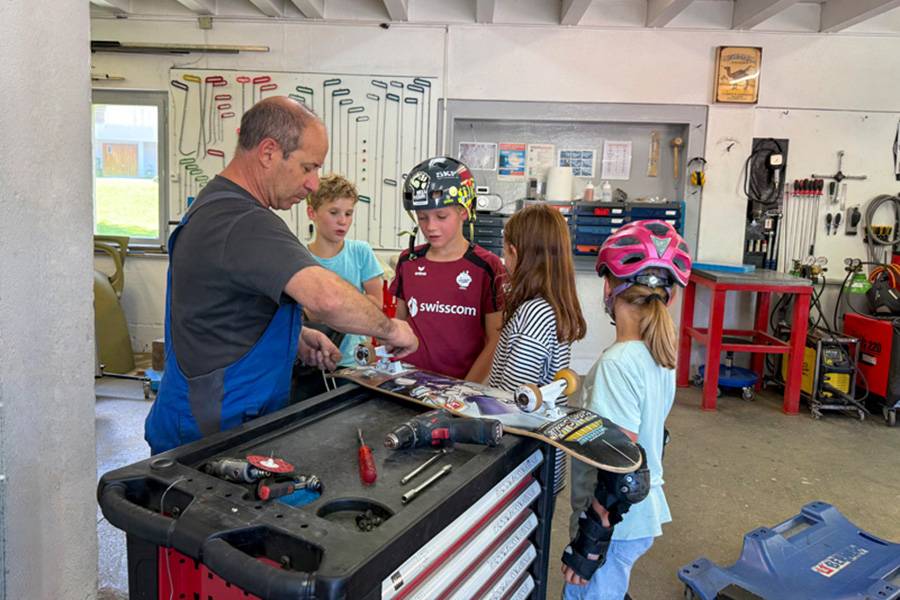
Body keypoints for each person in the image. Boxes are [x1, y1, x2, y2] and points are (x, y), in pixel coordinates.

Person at [144, 97, 417, 455]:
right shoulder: (241, 220)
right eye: (308, 167)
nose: (313, 184)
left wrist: (293, 336)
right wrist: (392, 329)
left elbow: (224, 309)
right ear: (269, 152)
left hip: (219, 417)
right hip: (210, 432)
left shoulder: (216, 207)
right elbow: (327, 299)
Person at [561, 220, 692, 600]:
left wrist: (590, 543)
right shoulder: (659, 355)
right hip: (640, 515)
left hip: (615, 522)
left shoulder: (616, 364)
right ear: (669, 297)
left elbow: (622, 470)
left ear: (607, 288)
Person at [487, 204, 586, 495]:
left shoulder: (534, 313)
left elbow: (514, 401)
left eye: (505, 252)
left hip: (523, 463)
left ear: (516, 253)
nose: (504, 261)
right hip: (539, 458)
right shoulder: (552, 305)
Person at [389, 156, 505, 382]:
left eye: (441, 216)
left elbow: (495, 341)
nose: (430, 227)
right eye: (422, 218)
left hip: (461, 391)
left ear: (464, 211)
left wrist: (465, 390)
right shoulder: (408, 261)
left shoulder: (487, 267)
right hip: (409, 383)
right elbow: (399, 324)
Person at [305, 174, 384, 366]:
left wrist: (324, 307)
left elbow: (376, 304)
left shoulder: (361, 252)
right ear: (312, 213)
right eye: (334, 212)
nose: (343, 221)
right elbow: (301, 313)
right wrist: (352, 304)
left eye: (348, 214)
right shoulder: (299, 257)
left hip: (354, 362)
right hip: (312, 361)